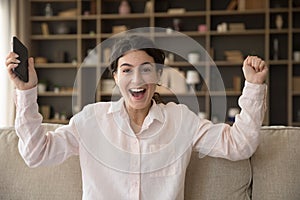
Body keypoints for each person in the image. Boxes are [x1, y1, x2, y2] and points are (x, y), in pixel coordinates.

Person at [5, 34, 268, 200]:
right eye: (127, 70)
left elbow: (240, 144)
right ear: (116, 77)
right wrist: (26, 92)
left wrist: (254, 86)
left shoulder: (181, 121)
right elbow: (36, 154)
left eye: (146, 69)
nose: (137, 80)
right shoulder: (91, 120)